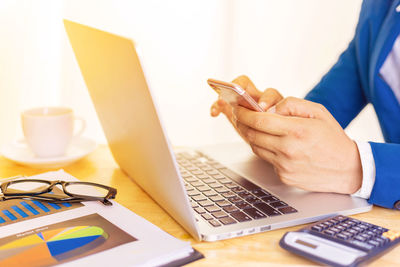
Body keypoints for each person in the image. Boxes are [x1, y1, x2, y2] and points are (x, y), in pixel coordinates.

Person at [210, 0, 400, 210]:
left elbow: (347, 162)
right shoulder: (380, 7)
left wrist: (358, 168)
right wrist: (272, 122)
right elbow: (321, 114)